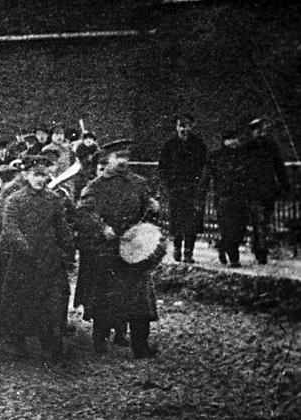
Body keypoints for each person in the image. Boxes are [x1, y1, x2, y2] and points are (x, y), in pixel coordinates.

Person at [75, 139, 160, 359]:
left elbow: (149, 210)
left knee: (140, 300)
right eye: (117, 157)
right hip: (107, 250)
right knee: (105, 298)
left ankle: (141, 346)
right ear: (107, 160)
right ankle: (100, 340)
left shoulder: (138, 183)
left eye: (126, 157)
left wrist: (153, 205)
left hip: (133, 249)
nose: (123, 161)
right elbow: (84, 212)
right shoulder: (96, 186)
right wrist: (102, 227)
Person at [0, 156, 74, 359]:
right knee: (19, 300)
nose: (40, 179)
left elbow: (62, 227)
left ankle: (48, 340)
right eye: (36, 174)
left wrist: (67, 250)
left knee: (50, 302)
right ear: (26, 175)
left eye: (43, 175)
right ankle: (17, 341)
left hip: (49, 259)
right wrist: (26, 248)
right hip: (23, 260)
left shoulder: (53, 199)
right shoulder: (15, 200)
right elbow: (10, 228)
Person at [158, 114, 207, 263]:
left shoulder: (198, 144)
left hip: (193, 189)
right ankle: (177, 249)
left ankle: (189, 252)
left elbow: (204, 166)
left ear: (191, 127)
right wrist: (168, 184)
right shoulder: (170, 145)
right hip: (176, 189)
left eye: (186, 126)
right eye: (181, 126)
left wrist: (198, 184)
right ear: (176, 127)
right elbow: (163, 167)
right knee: (176, 221)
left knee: (191, 222)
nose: (183, 129)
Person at [243, 118, 289, 265]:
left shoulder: (271, 146)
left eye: (261, 129)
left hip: (268, 189)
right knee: (258, 221)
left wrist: (284, 185)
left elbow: (279, 167)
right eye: (256, 129)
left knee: (265, 221)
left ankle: (258, 248)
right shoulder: (248, 148)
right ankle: (261, 251)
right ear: (252, 132)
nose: (259, 132)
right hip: (253, 190)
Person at [206, 130, 249, 267]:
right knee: (229, 228)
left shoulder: (242, 155)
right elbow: (206, 176)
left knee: (240, 229)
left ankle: (222, 246)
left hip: (241, 197)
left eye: (235, 138)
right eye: (231, 139)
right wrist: (201, 194)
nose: (234, 141)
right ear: (225, 141)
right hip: (223, 198)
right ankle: (234, 259)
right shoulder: (216, 156)